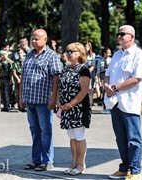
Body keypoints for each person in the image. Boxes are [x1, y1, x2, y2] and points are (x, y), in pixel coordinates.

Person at [104, 25, 142, 180]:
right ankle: (125, 167)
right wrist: (106, 85)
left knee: (134, 138)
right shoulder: (116, 55)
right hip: (114, 102)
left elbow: (137, 78)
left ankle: (136, 171)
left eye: (123, 34)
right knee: (120, 138)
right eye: (118, 34)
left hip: (129, 102)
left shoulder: (139, 55)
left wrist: (115, 87)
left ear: (132, 36)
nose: (119, 36)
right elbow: (107, 74)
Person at [20, 29, 61, 171]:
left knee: (46, 131)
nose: (33, 41)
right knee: (34, 131)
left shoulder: (51, 55)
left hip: (44, 101)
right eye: (33, 38)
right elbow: (23, 76)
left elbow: (56, 78)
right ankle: (35, 160)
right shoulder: (29, 55)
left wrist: (53, 99)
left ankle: (47, 161)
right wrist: (21, 97)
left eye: (37, 39)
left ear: (45, 40)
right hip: (30, 100)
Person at [58, 42, 91, 176]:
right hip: (66, 107)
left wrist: (71, 104)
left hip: (78, 108)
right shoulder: (66, 69)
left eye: (72, 51)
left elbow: (83, 92)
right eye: (68, 51)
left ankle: (81, 163)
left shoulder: (84, 70)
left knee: (79, 136)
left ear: (80, 53)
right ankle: (73, 162)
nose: (69, 54)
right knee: (71, 136)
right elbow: (62, 87)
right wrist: (60, 103)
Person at [96, 47, 112, 114]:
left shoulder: (111, 60)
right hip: (103, 76)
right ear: (104, 53)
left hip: (109, 77)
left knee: (109, 92)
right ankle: (105, 107)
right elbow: (98, 71)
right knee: (103, 92)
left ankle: (109, 107)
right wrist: (99, 80)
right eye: (108, 53)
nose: (109, 54)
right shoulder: (100, 60)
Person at [12, 48, 25, 112]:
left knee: (25, 93)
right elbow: (14, 72)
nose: (20, 54)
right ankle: (20, 107)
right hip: (18, 79)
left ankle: (25, 106)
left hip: (25, 80)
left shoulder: (26, 61)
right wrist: (18, 79)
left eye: (21, 53)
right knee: (17, 93)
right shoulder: (15, 62)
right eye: (19, 53)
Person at [84, 42, 96, 106]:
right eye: (85, 46)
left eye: (87, 46)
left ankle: (89, 105)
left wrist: (88, 71)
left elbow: (93, 65)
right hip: (83, 72)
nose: (86, 48)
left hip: (90, 73)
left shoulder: (93, 55)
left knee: (90, 90)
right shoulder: (82, 54)